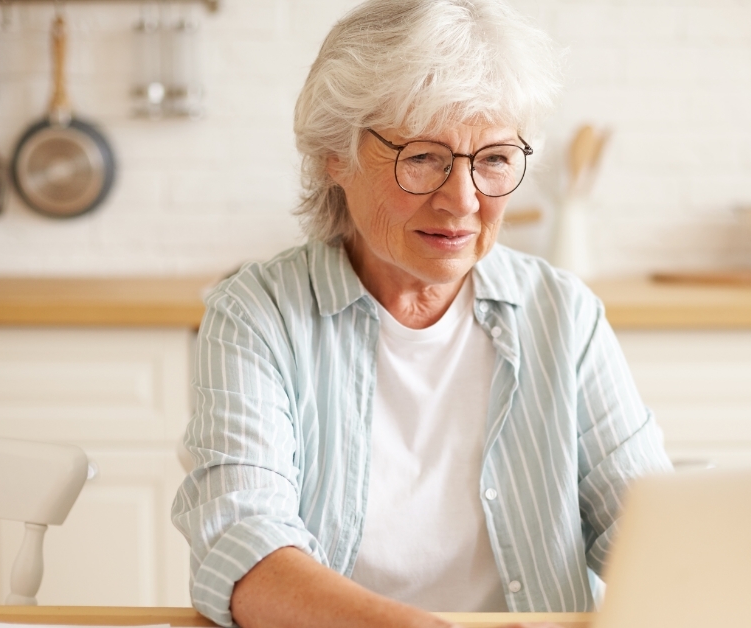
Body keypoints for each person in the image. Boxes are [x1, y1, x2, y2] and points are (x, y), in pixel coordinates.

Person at [170, 1, 671, 627]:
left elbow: (649, 533)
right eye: (423, 158)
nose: (462, 200)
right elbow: (244, 553)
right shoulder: (258, 316)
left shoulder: (563, 314)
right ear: (335, 153)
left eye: (492, 159)